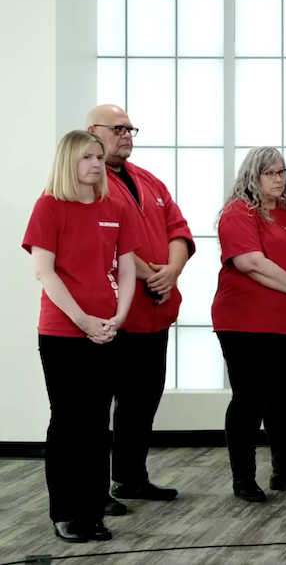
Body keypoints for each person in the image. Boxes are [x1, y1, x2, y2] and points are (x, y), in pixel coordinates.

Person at [24, 131, 142, 543]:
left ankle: (93, 510)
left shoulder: (115, 207)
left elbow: (126, 268)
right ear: (68, 162)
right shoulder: (49, 206)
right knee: (69, 422)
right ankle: (66, 512)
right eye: (85, 157)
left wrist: (119, 315)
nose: (95, 163)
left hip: (108, 331)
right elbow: (44, 272)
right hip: (63, 333)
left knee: (97, 423)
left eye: (97, 156)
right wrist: (83, 320)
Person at [86, 104, 193, 513]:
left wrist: (172, 270)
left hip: (156, 311)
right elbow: (114, 246)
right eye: (118, 128)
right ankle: (95, 490)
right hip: (116, 314)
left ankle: (130, 477)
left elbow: (178, 230)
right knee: (100, 408)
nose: (127, 134)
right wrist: (153, 275)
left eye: (131, 128)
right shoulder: (90, 182)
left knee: (142, 400)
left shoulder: (149, 181)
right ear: (92, 131)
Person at [212, 148, 286, 502]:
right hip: (243, 322)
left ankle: (283, 471)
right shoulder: (238, 212)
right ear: (252, 176)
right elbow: (250, 263)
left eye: (282, 171)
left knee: (283, 398)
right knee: (249, 399)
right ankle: (244, 478)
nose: (278, 178)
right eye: (269, 173)